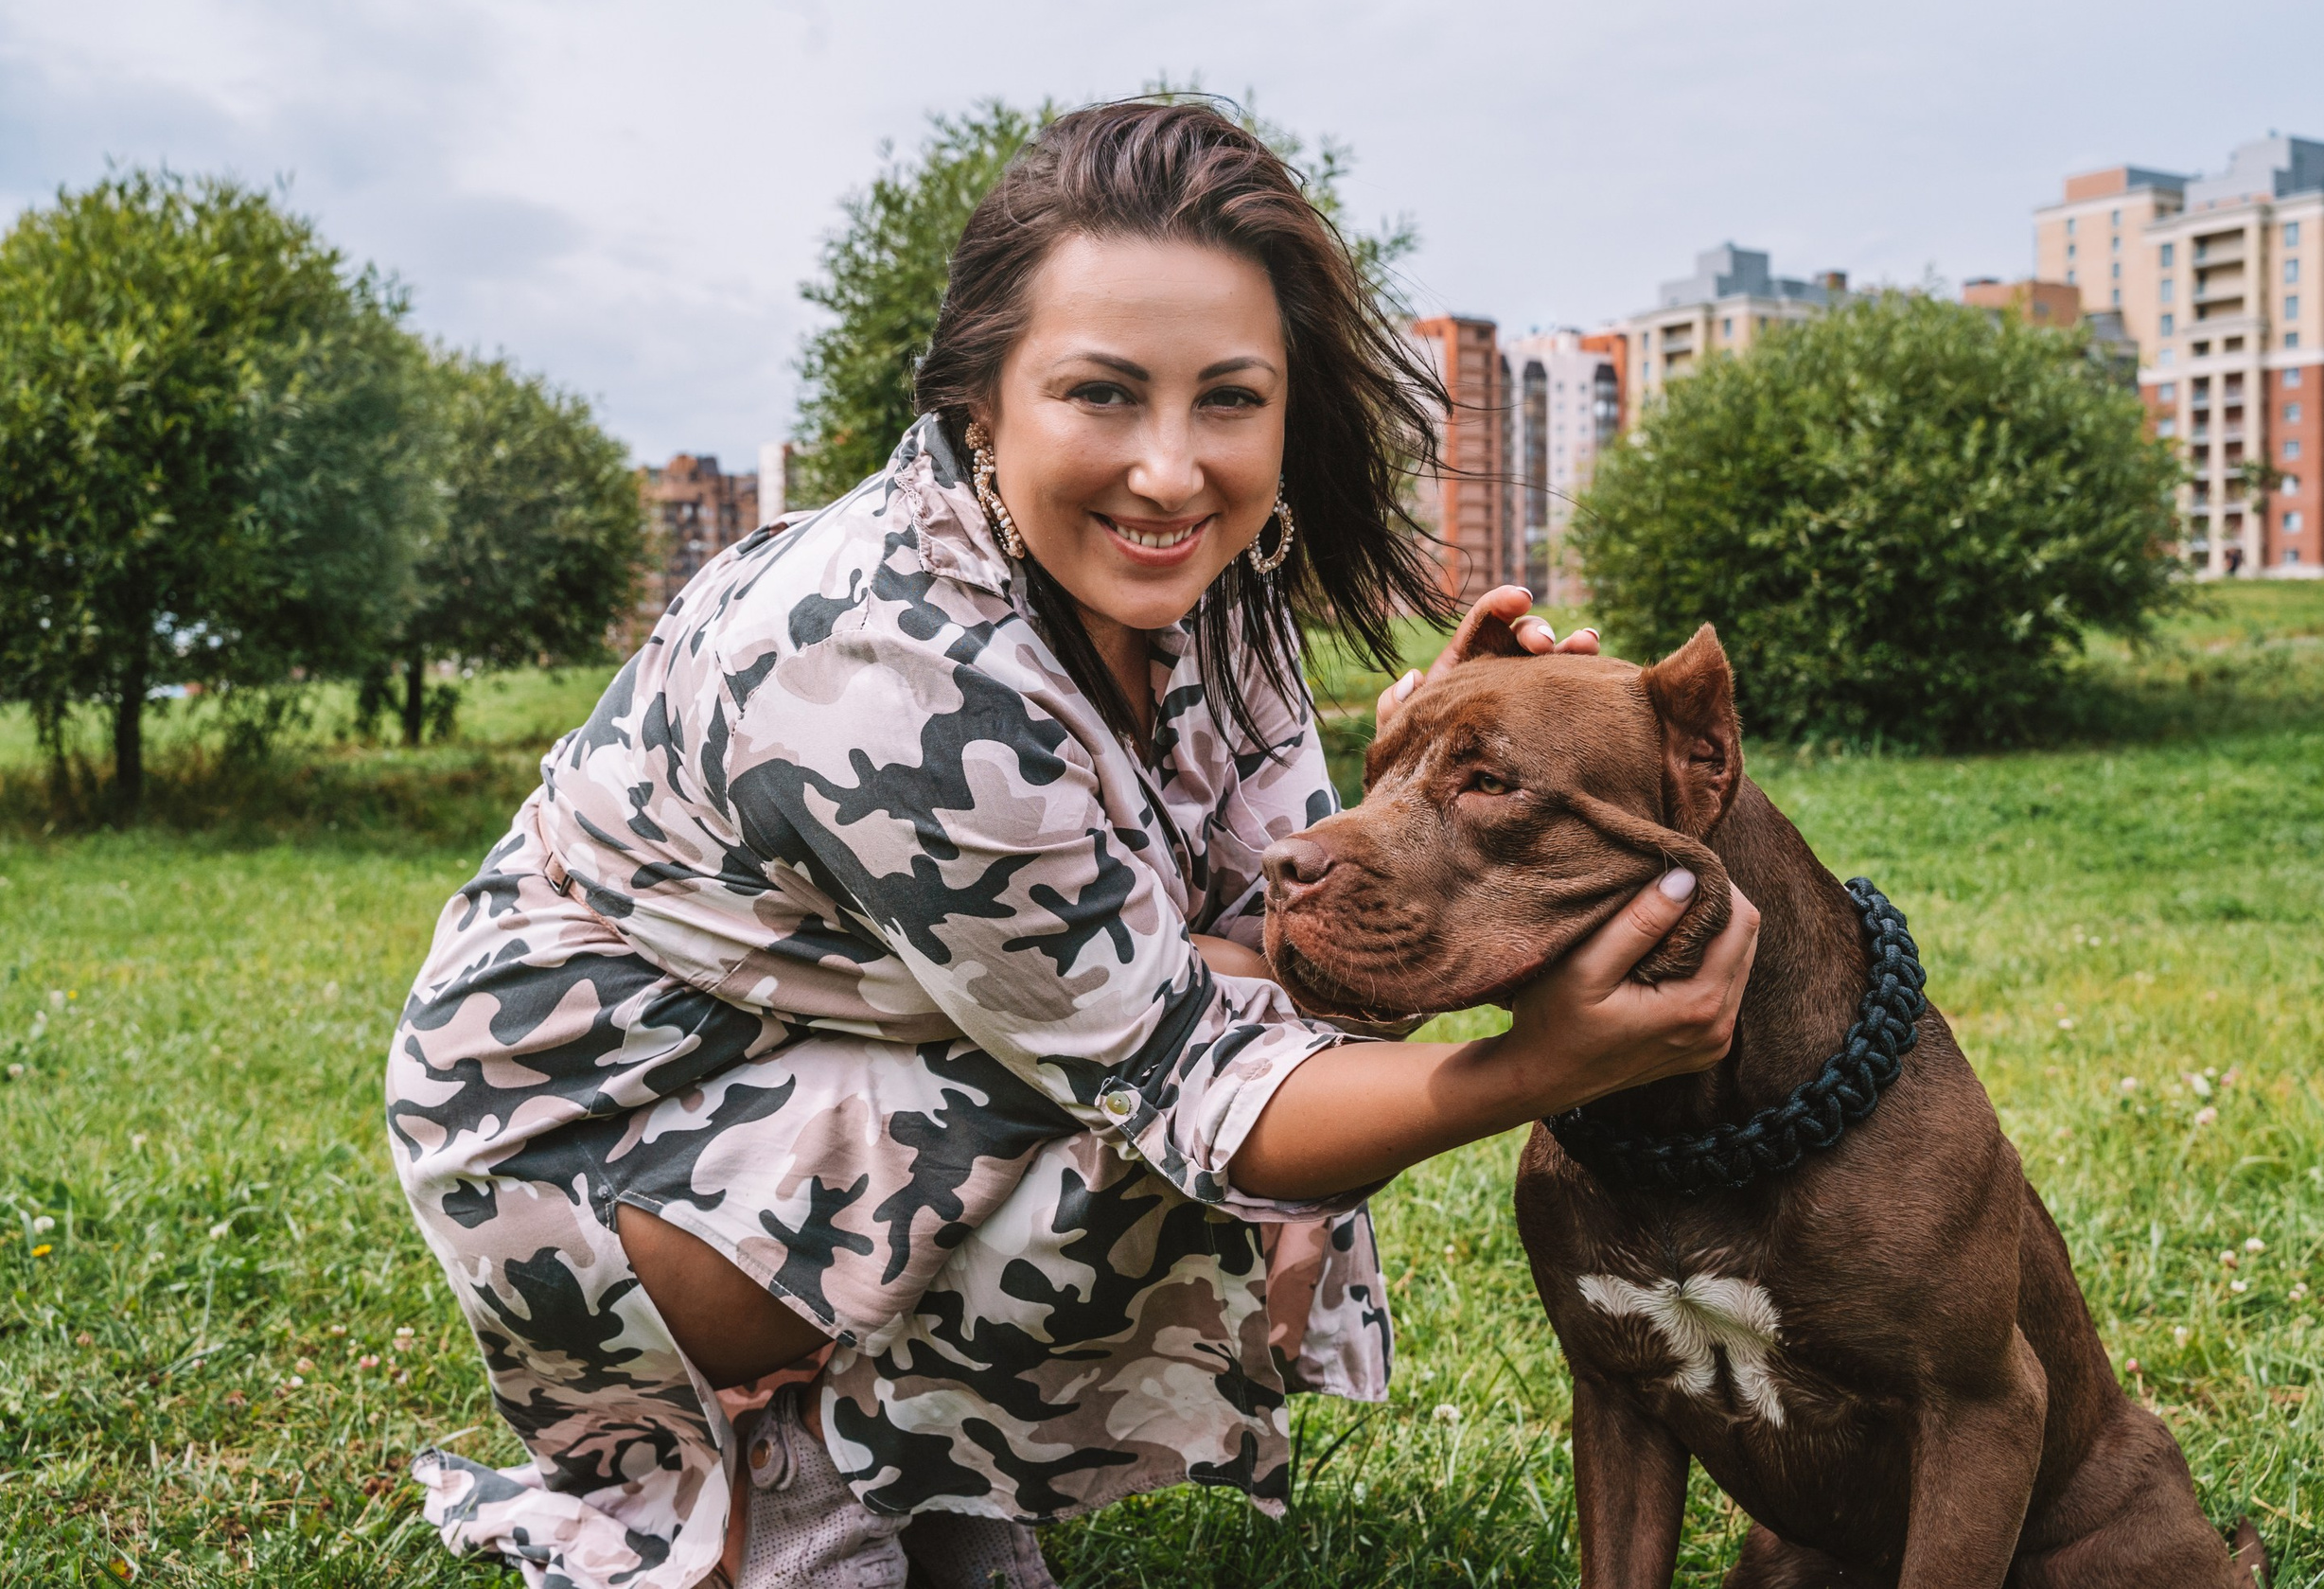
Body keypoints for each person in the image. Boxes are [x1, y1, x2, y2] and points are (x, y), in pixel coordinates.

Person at [385, 98, 1759, 1589]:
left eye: (1228, 399)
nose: (1170, 471)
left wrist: (1428, 767)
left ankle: (931, 1469)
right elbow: (1196, 1083)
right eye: (1102, 393)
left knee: (1185, 1049)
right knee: (1135, 1102)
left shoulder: (1205, 586)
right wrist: (1534, 1071)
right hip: (609, 1145)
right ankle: (787, 1466)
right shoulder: (890, 666)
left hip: (837, 1071)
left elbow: (1291, 929)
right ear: (982, 400)